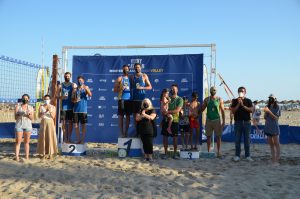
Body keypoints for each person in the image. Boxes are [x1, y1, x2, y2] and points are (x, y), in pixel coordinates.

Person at [201, 86, 225, 157]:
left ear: (216, 91)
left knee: (218, 136)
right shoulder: (206, 99)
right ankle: (208, 151)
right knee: (208, 136)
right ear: (210, 91)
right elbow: (202, 109)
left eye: (214, 90)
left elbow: (223, 111)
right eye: (212, 90)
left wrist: (223, 122)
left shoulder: (219, 99)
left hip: (217, 120)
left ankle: (218, 152)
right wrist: (197, 113)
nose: (213, 91)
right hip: (209, 120)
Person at [231, 86, 254, 162]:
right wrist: (238, 104)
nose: (241, 92)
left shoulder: (248, 100)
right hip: (238, 122)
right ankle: (237, 155)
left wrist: (243, 105)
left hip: (247, 122)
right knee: (237, 140)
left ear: (245, 92)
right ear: (238, 92)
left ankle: (247, 156)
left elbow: (251, 110)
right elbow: (233, 111)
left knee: (247, 140)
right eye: (240, 91)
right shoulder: (234, 100)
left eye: (243, 91)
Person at [161, 84, 183, 159]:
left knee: (175, 137)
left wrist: (168, 112)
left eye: (174, 89)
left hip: (175, 120)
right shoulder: (167, 98)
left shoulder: (180, 99)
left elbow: (177, 110)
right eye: (172, 89)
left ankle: (175, 154)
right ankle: (165, 153)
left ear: (177, 90)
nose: (172, 90)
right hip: (166, 119)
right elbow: (163, 108)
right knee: (165, 137)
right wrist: (165, 113)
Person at [131, 63, 152, 135]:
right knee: (135, 118)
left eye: (138, 67)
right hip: (134, 100)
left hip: (142, 101)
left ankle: (142, 132)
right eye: (136, 67)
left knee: (142, 116)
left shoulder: (144, 76)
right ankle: (137, 132)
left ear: (141, 68)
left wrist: (142, 87)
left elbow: (150, 87)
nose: (137, 68)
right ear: (134, 69)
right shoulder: (132, 77)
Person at [72, 76, 92, 144]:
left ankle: (82, 140)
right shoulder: (75, 89)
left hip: (83, 110)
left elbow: (90, 95)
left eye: (80, 80)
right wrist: (75, 100)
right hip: (76, 110)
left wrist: (87, 89)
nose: (79, 81)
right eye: (78, 80)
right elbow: (72, 100)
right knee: (76, 126)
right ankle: (78, 139)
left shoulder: (86, 88)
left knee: (83, 125)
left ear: (83, 81)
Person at [37, 95, 58, 159]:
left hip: (50, 123)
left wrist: (49, 110)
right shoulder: (41, 107)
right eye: (45, 99)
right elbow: (39, 116)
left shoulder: (53, 107)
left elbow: (53, 116)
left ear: (50, 100)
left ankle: (51, 154)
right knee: (43, 137)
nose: (46, 100)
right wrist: (44, 112)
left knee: (50, 137)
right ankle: (43, 153)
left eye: (48, 99)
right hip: (43, 123)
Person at [113, 65, 132, 138]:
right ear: (122, 70)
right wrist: (121, 88)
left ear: (129, 70)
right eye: (124, 69)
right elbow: (114, 90)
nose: (126, 70)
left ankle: (126, 132)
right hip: (122, 99)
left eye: (127, 69)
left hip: (129, 100)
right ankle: (121, 133)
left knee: (128, 117)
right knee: (121, 117)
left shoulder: (131, 78)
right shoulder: (120, 78)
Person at [14, 94, 34, 161]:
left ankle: (27, 157)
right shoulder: (17, 107)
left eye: (26, 98)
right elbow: (15, 118)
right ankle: (17, 157)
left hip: (28, 126)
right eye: (24, 98)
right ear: (22, 99)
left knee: (27, 142)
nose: (25, 99)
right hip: (19, 125)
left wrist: (29, 115)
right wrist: (19, 114)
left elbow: (32, 118)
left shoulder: (31, 107)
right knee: (18, 142)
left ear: (28, 99)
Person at [57, 72, 74, 143]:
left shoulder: (73, 85)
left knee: (70, 123)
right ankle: (65, 138)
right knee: (63, 123)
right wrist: (62, 97)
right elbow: (56, 96)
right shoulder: (61, 85)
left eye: (68, 76)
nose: (67, 77)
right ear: (64, 76)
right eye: (66, 76)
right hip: (63, 107)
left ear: (70, 77)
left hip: (71, 107)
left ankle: (69, 137)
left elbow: (75, 95)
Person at [264, 94, 281, 166]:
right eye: (269, 98)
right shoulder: (268, 106)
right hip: (268, 127)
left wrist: (268, 111)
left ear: (275, 99)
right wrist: (265, 112)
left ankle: (277, 160)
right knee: (271, 145)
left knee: (276, 144)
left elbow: (276, 118)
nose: (270, 99)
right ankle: (273, 159)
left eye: (272, 98)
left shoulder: (278, 107)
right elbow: (265, 117)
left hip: (274, 127)